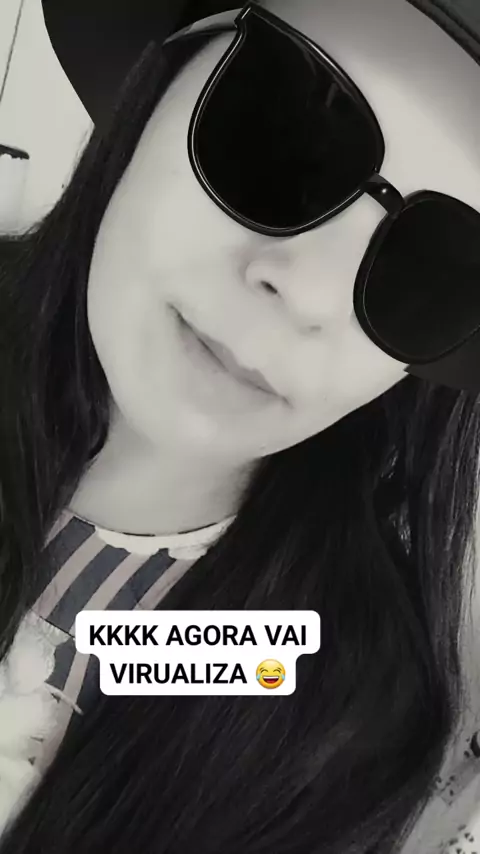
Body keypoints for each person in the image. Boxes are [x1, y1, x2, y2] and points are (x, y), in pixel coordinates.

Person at [0, 0, 479, 851]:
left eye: (438, 266)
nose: (308, 292)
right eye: (283, 134)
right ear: (158, 81)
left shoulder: (338, 720)